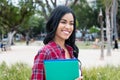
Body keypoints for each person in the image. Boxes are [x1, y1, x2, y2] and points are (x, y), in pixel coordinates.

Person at [31, 5, 83, 80]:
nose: (68, 27)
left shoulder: (71, 50)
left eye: (71, 23)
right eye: (63, 22)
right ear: (54, 23)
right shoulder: (45, 52)